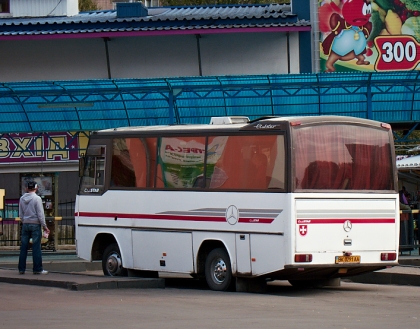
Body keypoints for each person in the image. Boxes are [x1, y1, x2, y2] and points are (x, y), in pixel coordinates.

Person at [18, 181, 50, 275]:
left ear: (27, 188)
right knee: (36, 247)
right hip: (35, 225)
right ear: (36, 188)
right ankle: (37, 269)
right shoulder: (37, 199)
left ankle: (21, 269)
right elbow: (40, 214)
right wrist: (44, 226)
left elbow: (21, 214)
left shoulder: (22, 198)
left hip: (25, 224)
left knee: (23, 247)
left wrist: (24, 221)